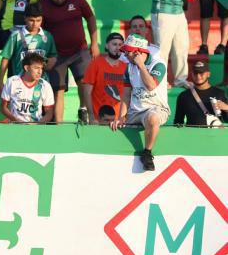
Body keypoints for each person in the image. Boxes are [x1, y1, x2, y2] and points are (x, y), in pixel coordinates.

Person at [40, 0, 99, 123]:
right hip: (56, 55)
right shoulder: (42, 4)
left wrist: (94, 43)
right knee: (58, 90)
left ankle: (85, 111)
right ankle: (58, 124)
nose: (59, 0)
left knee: (84, 82)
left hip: (79, 51)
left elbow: (90, 17)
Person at [111, 34, 170, 172]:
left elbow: (151, 86)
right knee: (111, 123)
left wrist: (142, 66)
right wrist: (121, 117)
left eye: (128, 51)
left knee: (153, 117)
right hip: (134, 112)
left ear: (138, 52)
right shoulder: (128, 67)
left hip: (156, 108)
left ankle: (147, 153)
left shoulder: (159, 64)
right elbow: (126, 95)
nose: (125, 54)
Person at [150, 0, 191, 86]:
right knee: (162, 49)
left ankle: (181, 80)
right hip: (163, 12)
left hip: (179, 12)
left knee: (181, 47)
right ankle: (160, 81)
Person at [0, 3, 57, 92]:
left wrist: (50, 63)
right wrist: (0, 81)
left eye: (38, 20)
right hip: (19, 82)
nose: (35, 24)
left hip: (40, 83)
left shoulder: (47, 36)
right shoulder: (16, 36)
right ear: (25, 18)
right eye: (31, 20)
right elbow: (6, 58)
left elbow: (53, 55)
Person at [80, 32, 128, 125]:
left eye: (120, 45)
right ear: (106, 46)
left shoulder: (126, 68)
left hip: (119, 121)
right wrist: (91, 115)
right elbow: (87, 91)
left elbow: (128, 95)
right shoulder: (95, 64)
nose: (117, 47)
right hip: (99, 119)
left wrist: (123, 117)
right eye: (114, 44)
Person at [0, 52, 55, 124]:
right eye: (36, 68)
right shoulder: (12, 81)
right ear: (27, 68)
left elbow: (49, 113)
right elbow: (3, 108)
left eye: (41, 68)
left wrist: (37, 125)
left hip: (35, 128)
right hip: (14, 126)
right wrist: (16, 120)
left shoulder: (45, 85)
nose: (40, 72)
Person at [174, 60, 227, 126]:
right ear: (192, 74)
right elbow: (178, 122)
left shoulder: (219, 93)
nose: (198, 76)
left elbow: (226, 120)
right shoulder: (184, 96)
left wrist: (226, 108)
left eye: (201, 73)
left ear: (208, 74)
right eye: (195, 73)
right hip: (192, 135)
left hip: (215, 135)